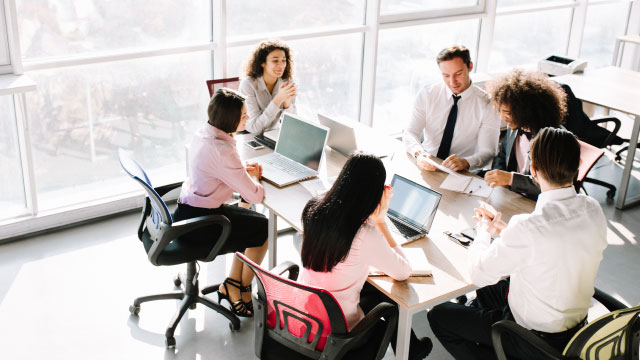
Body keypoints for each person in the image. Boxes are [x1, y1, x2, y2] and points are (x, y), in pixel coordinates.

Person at [427, 127, 608, 359]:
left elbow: (478, 274)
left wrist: (483, 231)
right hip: (576, 329)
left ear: (533, 169)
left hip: (531, 338)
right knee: (487, 294)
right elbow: (555, 248)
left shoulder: (528, 227)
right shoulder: (592, 208)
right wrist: (506, 231)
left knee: (440, 316)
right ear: (578, 165)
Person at [299, 153, 432, 360]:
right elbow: (403, 271)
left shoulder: (312, 209)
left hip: (307, 316)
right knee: (391, 304)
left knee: (376, 288)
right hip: (339, 332)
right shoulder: (364, 233)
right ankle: (411, 350)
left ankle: (413, 349)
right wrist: (381, 222)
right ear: (373, 194)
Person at [173, 88, 269, 317]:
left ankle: (232, 284)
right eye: (244, 115)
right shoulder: (223, 150)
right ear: (231, 119)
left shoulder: (204, 133)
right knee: (263, 229)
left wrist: (241, 172)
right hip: (201, 224)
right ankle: (240, 288)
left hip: (188, 211)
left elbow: (213, 168)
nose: (247, 118)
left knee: (251, 221)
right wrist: (254, 179)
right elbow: (255, 195)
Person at [403, 45, 500, 172]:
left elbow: (487, 152)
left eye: (458, 74)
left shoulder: (487, 103)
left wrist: (466, 162)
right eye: (446, 76)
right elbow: (410, 132)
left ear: (470, 66)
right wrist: (419, 154)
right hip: (427, 164)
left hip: (461, 172)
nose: (452, 81)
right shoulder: (428, 94)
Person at [483, 69, 567, 200]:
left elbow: (551, 185)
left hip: (538, 203)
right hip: (513, 196)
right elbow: (502, 155)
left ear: (527, 111)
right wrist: (498, 177)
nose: (502, 117)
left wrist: (510, 179)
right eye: (500, 111)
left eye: (508, 113)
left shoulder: (553, 139)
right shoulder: (515, 125)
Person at [239, 39, 297, 135]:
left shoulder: (287, 82)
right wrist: (278, 99)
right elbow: (254, 128)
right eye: (275, 61)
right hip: (251, 136)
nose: (281, 65)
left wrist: (287, 103)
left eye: (283, 60)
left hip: (275, 134)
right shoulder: (248, 85)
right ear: (262, 63)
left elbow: (293, 124)